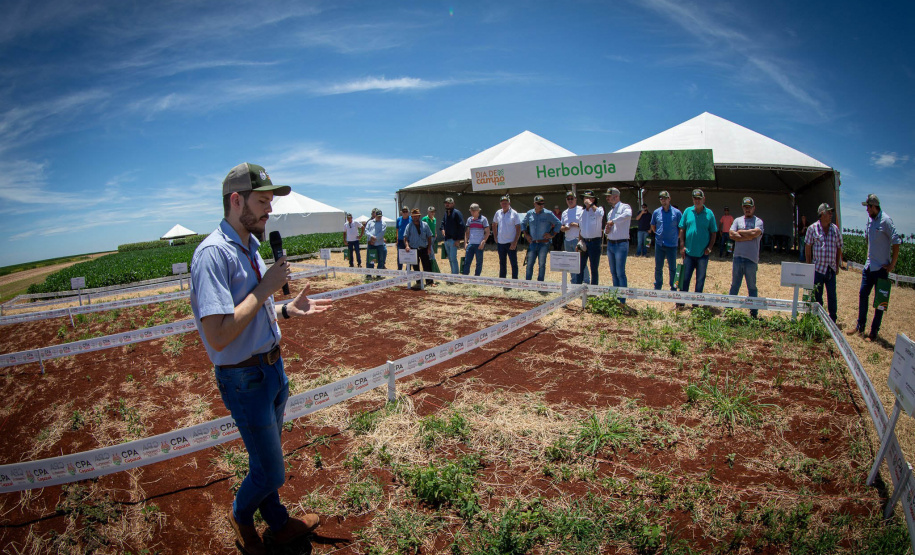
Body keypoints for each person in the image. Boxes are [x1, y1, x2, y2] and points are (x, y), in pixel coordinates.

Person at [190, 162, 331, 555]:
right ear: (236, 201)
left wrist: (286, 310)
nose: (270, 210)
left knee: (266, 459)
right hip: (243, 377)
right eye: (263, 201)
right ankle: (239, 514)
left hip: (271, 367)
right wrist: (268, 287)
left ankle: (279, 522)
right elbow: (218, 335)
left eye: (271, 201)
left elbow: (249, 312)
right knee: (271, 469)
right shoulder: (212, 256)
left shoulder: (250, 244)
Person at [848, 194, 901, 341]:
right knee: (863, 295)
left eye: (868, 207)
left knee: (880, 302)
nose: (866, 210)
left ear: (873, 207)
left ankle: (873, 332)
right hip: (869, 267)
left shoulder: (886, 221)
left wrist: (892, 264)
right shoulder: (869, 221)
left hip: (881, 269)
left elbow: (897, 242)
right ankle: (860, 327)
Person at [806, 203, 844, 323]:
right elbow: (808, 247)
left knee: (832, 295)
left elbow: (839, 247)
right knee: (817, 295)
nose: (831, 214)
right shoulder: (812, 228)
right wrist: (809, 266)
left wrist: (837, 265)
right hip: (818, 269)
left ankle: (832, 319)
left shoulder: (835, 229)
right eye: (829, 212)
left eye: (831, 212)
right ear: (822, 214)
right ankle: (817, 318)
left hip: (830, 268)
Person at [728, 197, 764, 318]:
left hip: (751, 260)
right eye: (745, 207)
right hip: (738, 257)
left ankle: (754, 313)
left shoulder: (758, 221)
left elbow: (756, 233)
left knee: (752, 287)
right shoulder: (738, 220)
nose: (747, 209)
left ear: (753, 208)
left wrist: (741, 232)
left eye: (749, 207)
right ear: (742, 208)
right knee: (734, 285)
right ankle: (728, 310)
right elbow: (731, 234)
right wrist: (748, 236)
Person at [678, 189, 717, 298]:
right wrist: (682, 246)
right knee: (685, 278)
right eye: (695, 198)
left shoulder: (709, 213)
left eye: (699, 199)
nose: (697, 201)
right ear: (693, 199)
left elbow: (713, 233)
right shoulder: (687, 211)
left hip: (702, 254)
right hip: (689, 253)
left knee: (700, 279)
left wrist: (709, 248)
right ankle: (681, 302)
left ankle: (696, 303)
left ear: (703, 199)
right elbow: (682, 229)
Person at [522, 195, 561, 281]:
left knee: (542, 264)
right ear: (534, 204)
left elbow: (558, 223)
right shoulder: (529, 213)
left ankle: (540, 283)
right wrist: (526, 235)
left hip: (544, 243)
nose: (541, 205)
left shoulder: (548, 213)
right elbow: (523, 224)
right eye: (539, 204)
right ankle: (528, 282)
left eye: (542, 204)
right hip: (532, 242)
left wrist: (552, 234)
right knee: (529, 264)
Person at [603, 187, 632, 300]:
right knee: (614, 272)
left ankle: (622, 299)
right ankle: (616, 298)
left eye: (609, 196)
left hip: (621, 244)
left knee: (620, 272)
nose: (607, 198)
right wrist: (607, 231)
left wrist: (613, 221)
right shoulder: (611, 211)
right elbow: (608, 229)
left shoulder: (625, 207)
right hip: (611, 243)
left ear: (616, 196)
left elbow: (628, 215)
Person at [651, 191, 682, 290]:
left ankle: (673, 287)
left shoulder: (677, 213)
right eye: (661, 198)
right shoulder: (656, 212)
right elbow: (653, 225)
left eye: (664, 198)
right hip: (660, 244)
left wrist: (677, 237)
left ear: (669, 198)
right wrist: (658, 234)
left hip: (672, 245)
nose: (663, 200)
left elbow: (681, 227)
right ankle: (658, 285)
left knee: (672, 268)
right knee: (658, 267)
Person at [561, 191, 588, 284]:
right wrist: (564, 228)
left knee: (581, 262)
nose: (570, 200)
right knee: (570, 263)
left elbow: (586, 224)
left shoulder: (581, 210)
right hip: (567, 240)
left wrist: (577, 224)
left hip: (578, 239)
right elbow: (561, 227)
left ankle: (586, 281)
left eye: (572, 198)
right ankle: (574, 282)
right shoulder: (564, 212)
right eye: (568, 199)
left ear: (575, 199)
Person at [492, 195, 522, 280]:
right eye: (502, 203)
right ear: (500, 204)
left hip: (511, 242)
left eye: (506, 203)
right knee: (502, 262)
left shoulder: (514, 213)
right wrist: (495, 236)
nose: (504, 204)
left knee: (513, 263)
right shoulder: (498, 212)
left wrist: (515, 242)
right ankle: (502, 279)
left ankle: (514, 280)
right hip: (501, 242)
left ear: (509, 203)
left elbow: (518, 228)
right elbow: (494, 224)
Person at [404, 208, 434, 289]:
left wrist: (429, 248)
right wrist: (407, 246)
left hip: (424, 248)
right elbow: (405, 237)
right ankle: (418, 282)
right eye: (413, 216)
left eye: (417, 216)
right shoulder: (409, 226)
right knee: (416, 267)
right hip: (413, 249)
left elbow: (429, 236)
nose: (415, 218)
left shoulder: (425, 225)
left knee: (427, 265)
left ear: (419, 216)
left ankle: (430, 282)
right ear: (412, 217)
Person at [578, 190, 603, 285]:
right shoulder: (582, 212)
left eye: (588, 198)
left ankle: (594, 289)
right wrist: (579, 242)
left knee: (594, 268)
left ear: (593, 199)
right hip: (584, 241)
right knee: (580, 266)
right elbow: (581, 228)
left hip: (594, 242)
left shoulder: (598, 210)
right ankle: (578, 287)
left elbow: (601, 214)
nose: (586, 200)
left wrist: (592, 205)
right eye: (584, 198)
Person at [462, 203, 490, 276]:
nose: (472, 212)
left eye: (474, 211)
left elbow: (487, 232)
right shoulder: (469, 219)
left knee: (479, 262)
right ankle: (465, 276)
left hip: (479, 244)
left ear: (478, 211)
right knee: (467, 261)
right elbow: (467, 232)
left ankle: (477, 277)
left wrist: (483, 241)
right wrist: (465, 243)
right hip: (470, 243)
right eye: (471, 211)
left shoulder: (483, 219)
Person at [441, 197, 465, 274]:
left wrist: (458, 239)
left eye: (449, 203)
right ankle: (453, 274)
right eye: (446, 203)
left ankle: (455, 276)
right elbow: (443, 223)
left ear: (453, 204)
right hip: (446, 239)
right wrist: (442, 229)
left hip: (453, 239)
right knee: (450, 258)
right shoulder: (445, 213)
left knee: (453, 258)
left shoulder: (457, 213)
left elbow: (462, 226)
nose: (447, 204)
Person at [365, 209, 387, 279]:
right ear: (375, 216)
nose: (379, 218)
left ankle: (378, 275)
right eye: (378, 216)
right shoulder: (370, 222)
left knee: (381, 259)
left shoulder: (383, 223)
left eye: (380, 216)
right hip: (371, 244)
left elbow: (382, 233)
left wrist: (375, 238)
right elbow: (366, 230)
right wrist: (371, 237)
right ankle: (369, 274)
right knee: (370, 259)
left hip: (379, 244)